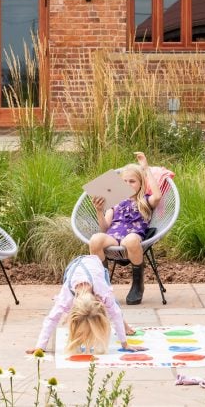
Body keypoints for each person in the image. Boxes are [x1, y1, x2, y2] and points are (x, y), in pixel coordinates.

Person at [88, 151, 163, 305]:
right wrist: (99, 211)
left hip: (133, 237)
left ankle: (137, 284)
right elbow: (104, 228)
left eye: (132, 181)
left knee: (130, 240)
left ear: (141, 183)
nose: (128, 184)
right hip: (114, 237)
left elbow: (157, 196)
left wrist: (146, 168)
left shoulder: (145, 201)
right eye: (125, 181)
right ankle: (103, 287)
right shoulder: (114, 202)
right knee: (95, 239)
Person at [28, 254, 136, 355]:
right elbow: (52, 319)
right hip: (73, 268)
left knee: (113, 305)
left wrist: (124, 343)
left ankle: (125, 326)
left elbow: (115, 313)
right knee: (109, 307)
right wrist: (40, 346)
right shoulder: (67, 296)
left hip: (96, 265)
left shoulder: (102, 291)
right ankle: (79, 334)